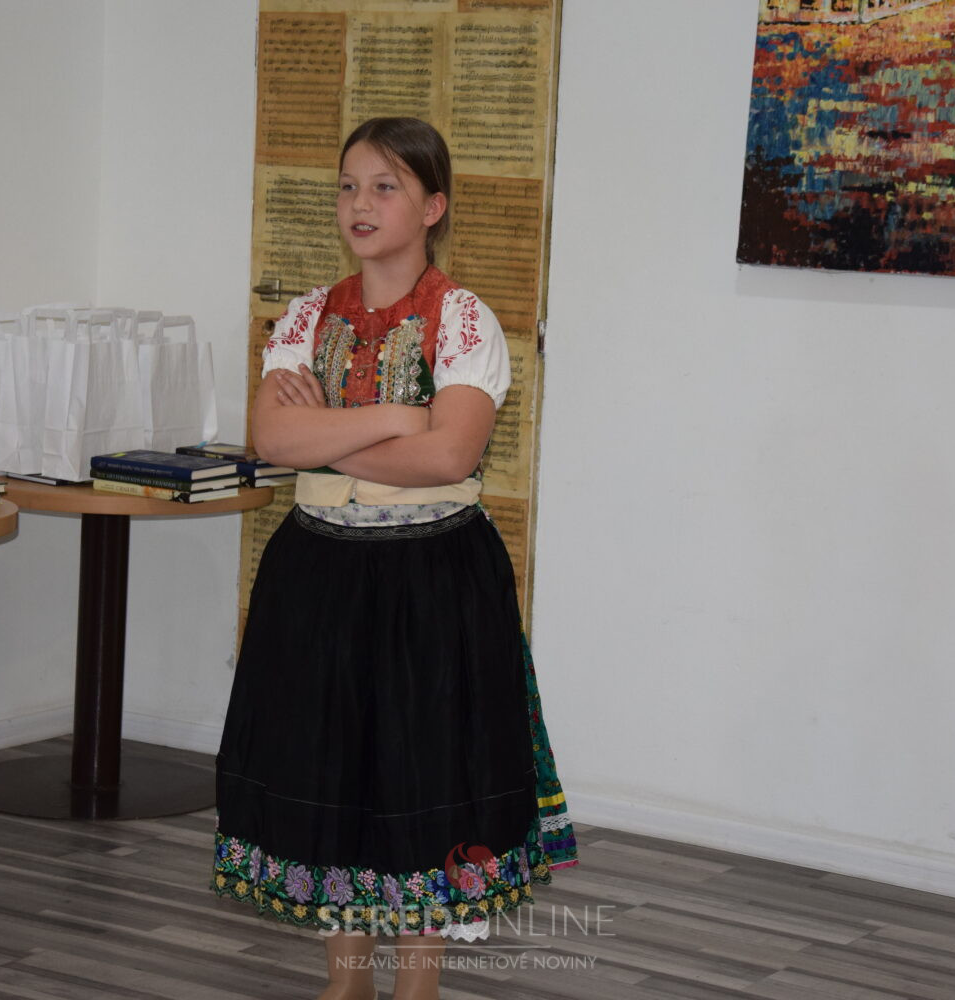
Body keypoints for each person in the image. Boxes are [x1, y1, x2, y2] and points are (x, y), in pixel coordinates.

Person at [211, 116, 577, 1000]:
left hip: (432, 575)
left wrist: (327, 434)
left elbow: (449, 456)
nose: (360, 203)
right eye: (349, 185)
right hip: (318, 572)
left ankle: (417, 986)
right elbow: (273, 439)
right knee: (331, 767)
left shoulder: (464, 318)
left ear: (432, 206)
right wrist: (395, 418)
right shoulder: (307, 316)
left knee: (425, 772)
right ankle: (348, 983)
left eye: (385, 186)